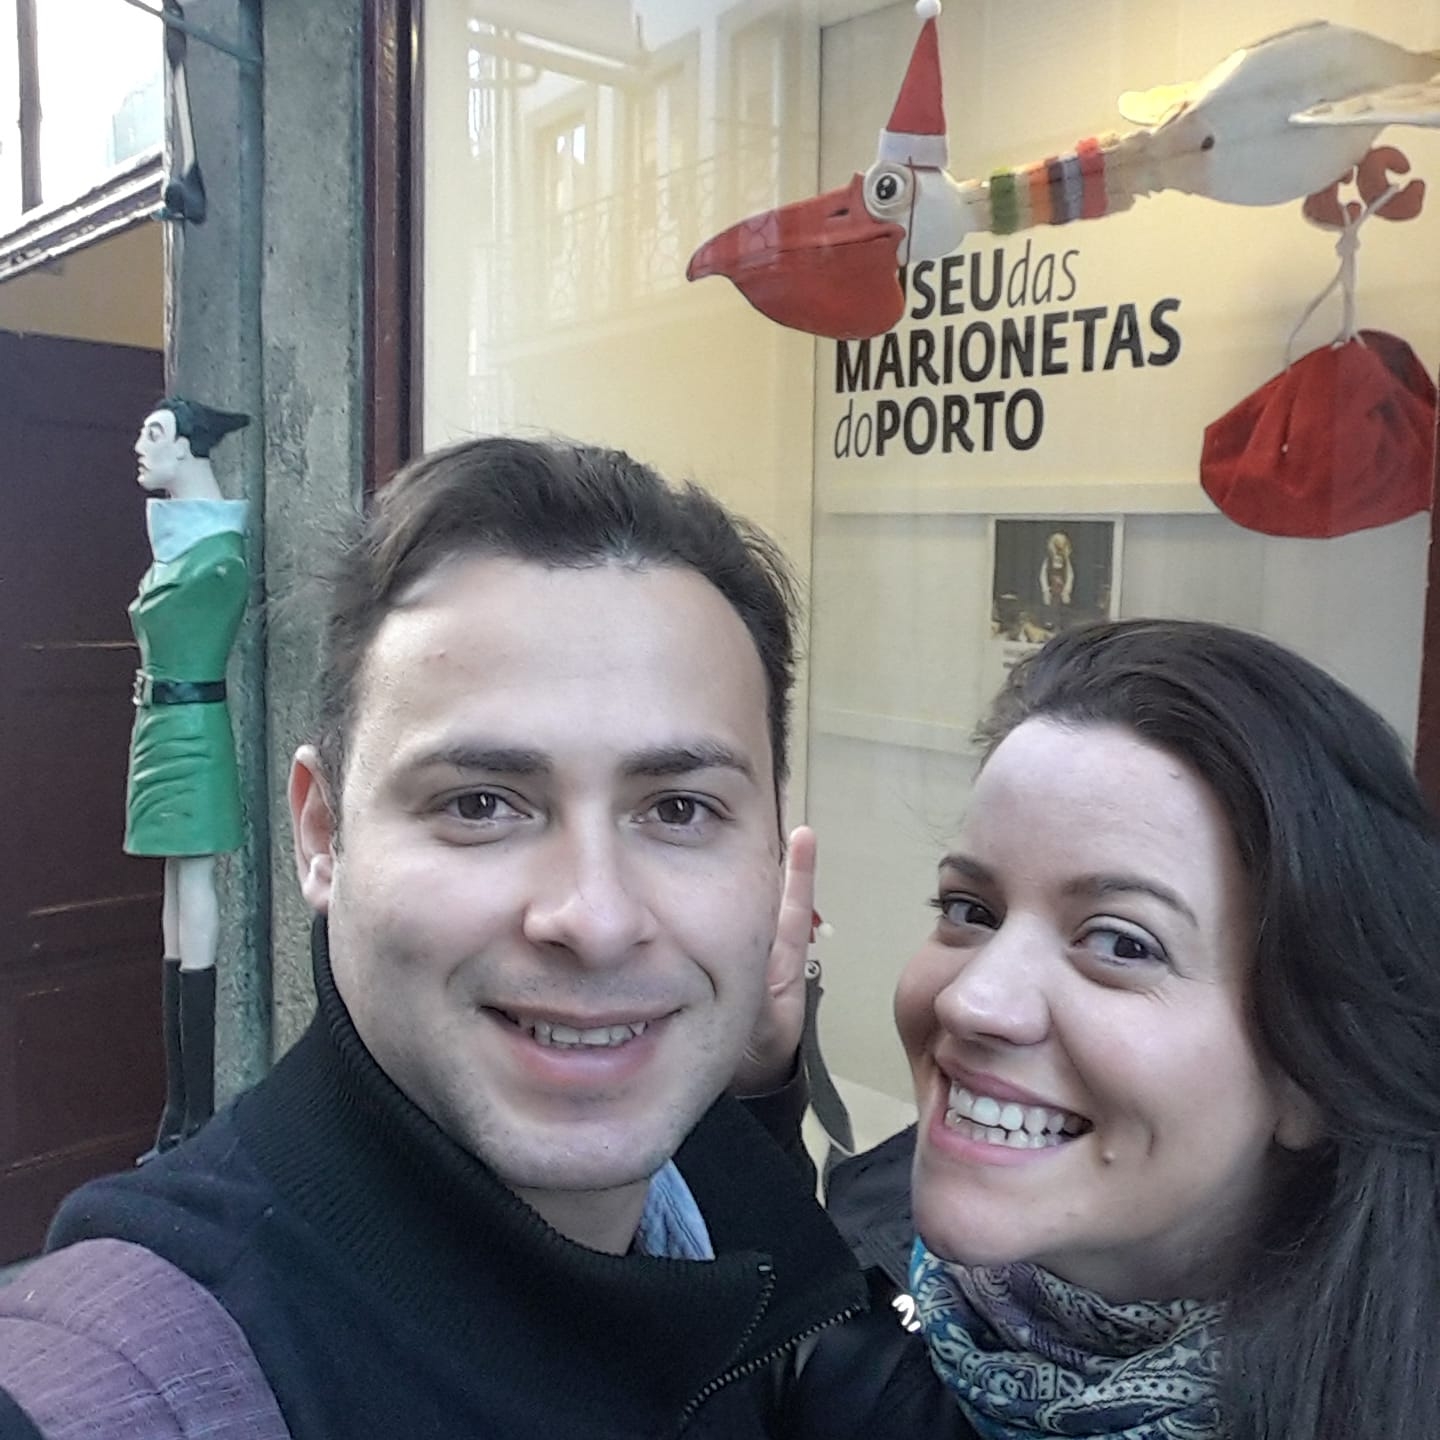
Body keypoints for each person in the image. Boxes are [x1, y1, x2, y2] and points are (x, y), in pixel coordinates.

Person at [3, 436, 864, 1438]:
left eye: (678, 810)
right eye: (481, 803)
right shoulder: (129, 1381)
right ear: (321, 834)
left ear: (776, 856)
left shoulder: (731, 1219)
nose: (595, 919)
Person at [793, 617, 1440, 1440]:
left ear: (1313, 1074)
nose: (972, 1002)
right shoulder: (843, 1293)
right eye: (971, 910)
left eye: (1121, 944)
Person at [128, 396, 251, 1158]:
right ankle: (178, 1106)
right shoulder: (177, 549)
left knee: (194, 888)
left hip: (193, 733)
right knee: (174, 896)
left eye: (154, 435)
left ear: (188, 448)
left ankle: (196, 1110)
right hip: (157, 729)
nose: (139, 447)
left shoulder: (217, 561)